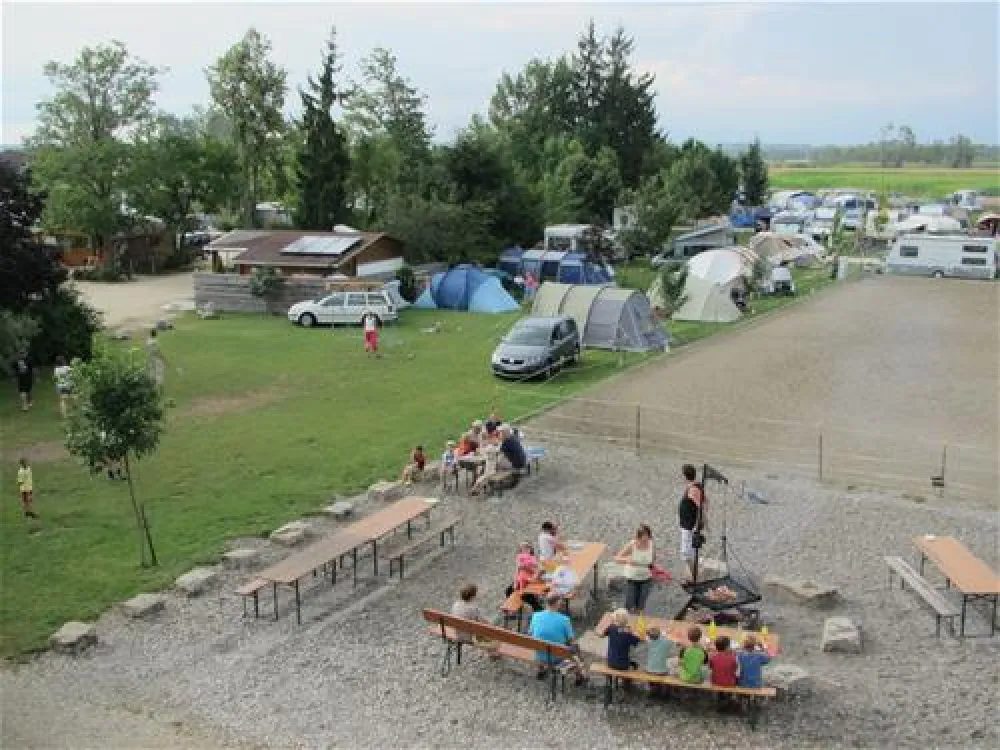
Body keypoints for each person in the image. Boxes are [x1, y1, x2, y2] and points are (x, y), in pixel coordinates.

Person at [528, 593, 586, 684]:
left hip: (539, 654)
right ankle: (580, 676)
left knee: (542, 641)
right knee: (575, 649)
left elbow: (530, 633)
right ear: (557, 603)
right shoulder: (564, 620)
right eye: (560, 601)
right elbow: (571, 641)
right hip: (557, 658)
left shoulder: (536, 615)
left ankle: (541, 670)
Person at [615, 524, 655, 614]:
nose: (645, 541)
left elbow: (652, 559)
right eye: (642, 539)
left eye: (647, 538)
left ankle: (638, 624)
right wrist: (628, 560)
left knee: (641, 606)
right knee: (629, 604)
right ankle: (625, 623)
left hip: (646, 579)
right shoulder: (632, 545)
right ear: (638, 537)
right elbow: (617, 558)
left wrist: (654, 566)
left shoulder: (651, 544)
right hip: (632, 579)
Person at [678, 464, 707, 582]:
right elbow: (705, 501)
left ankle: (693, 577)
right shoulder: (695, 486)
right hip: (688, 524)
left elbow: (703, 505)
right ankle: (692, 575)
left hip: (689, 525)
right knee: (690, 550)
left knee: (686, 552)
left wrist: (699, 523)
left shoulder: (693, 489)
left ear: (685, 476)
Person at [505, 542, 544, 612]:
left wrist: (526, 568)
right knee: (508, 591)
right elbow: (517, 571)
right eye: (522, 547)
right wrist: (515, 582)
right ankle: (514, 607)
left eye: (527, 547)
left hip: (530, 581)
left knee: (526, 595)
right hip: (521, 580)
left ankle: (538, 609)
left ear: (531, 549)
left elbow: (538, 571)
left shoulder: (533, 558)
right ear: (520, 550)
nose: (525, 549)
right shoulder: (520, 557)